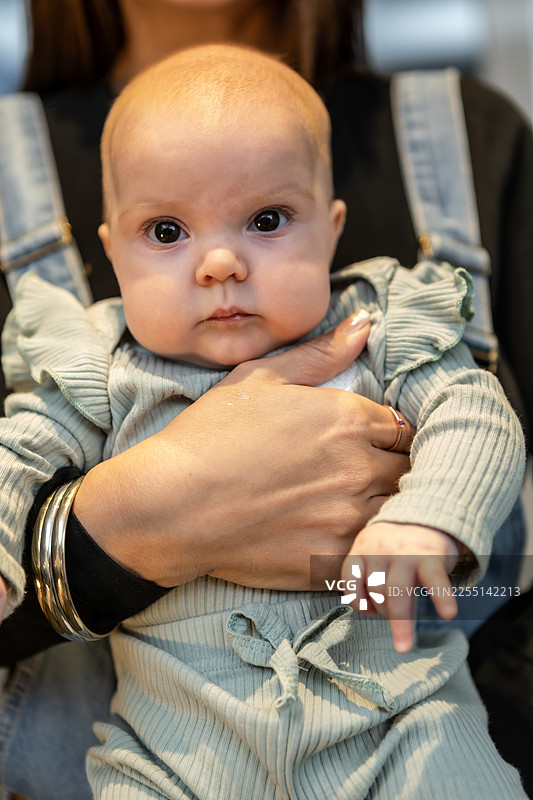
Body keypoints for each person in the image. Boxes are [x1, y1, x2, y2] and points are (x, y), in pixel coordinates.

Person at [0, 0, 530, 797]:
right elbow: (18, 450)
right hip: (169, 752)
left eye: (268, 220)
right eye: (167, 233)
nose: (219, 262)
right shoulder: (94, 365)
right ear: (108, 249)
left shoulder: (378, 328)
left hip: (399, 720)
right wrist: (132, 519)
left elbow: (475, 414)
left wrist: (424, 521)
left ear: (332, 228)